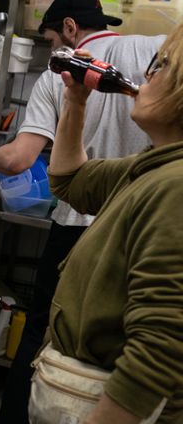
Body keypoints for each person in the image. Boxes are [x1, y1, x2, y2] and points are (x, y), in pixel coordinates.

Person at [0, 0, 165, 423]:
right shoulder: (152, 50)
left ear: (70, 30)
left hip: (80, 228)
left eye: (53, 40)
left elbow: (18, 158)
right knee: (121, 341)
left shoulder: (60, 70)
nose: (55, 51)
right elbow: (70, 176)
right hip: (135, 226)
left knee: (44, 332)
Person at [27, 22, 183, 423]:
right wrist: (75, 101)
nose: (146, 77)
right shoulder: (151, 168)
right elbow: (68, 178)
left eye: (162, 67)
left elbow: (161, 345)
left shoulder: (175, 186)